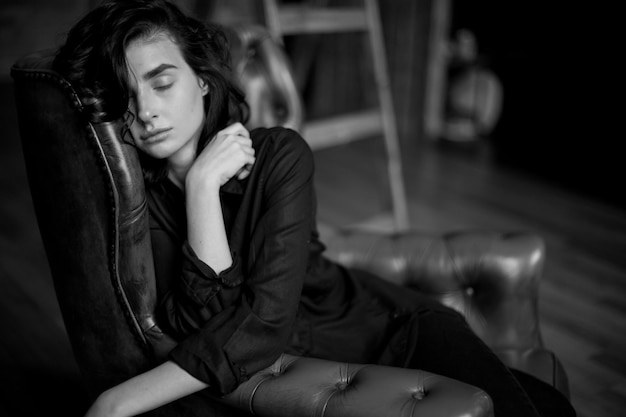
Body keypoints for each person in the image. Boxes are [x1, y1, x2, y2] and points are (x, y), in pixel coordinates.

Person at [53, 1, 576, 416]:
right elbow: (206, 323)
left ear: (203, 82)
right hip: (329, 374)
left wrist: (118, 401)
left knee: (543, 408)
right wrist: (201, 190)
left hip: (397, 329)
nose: (146, 111)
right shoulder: (142, 206)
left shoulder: (279, 153)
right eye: (127, 96)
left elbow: (262, 324)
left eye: (162, 83)